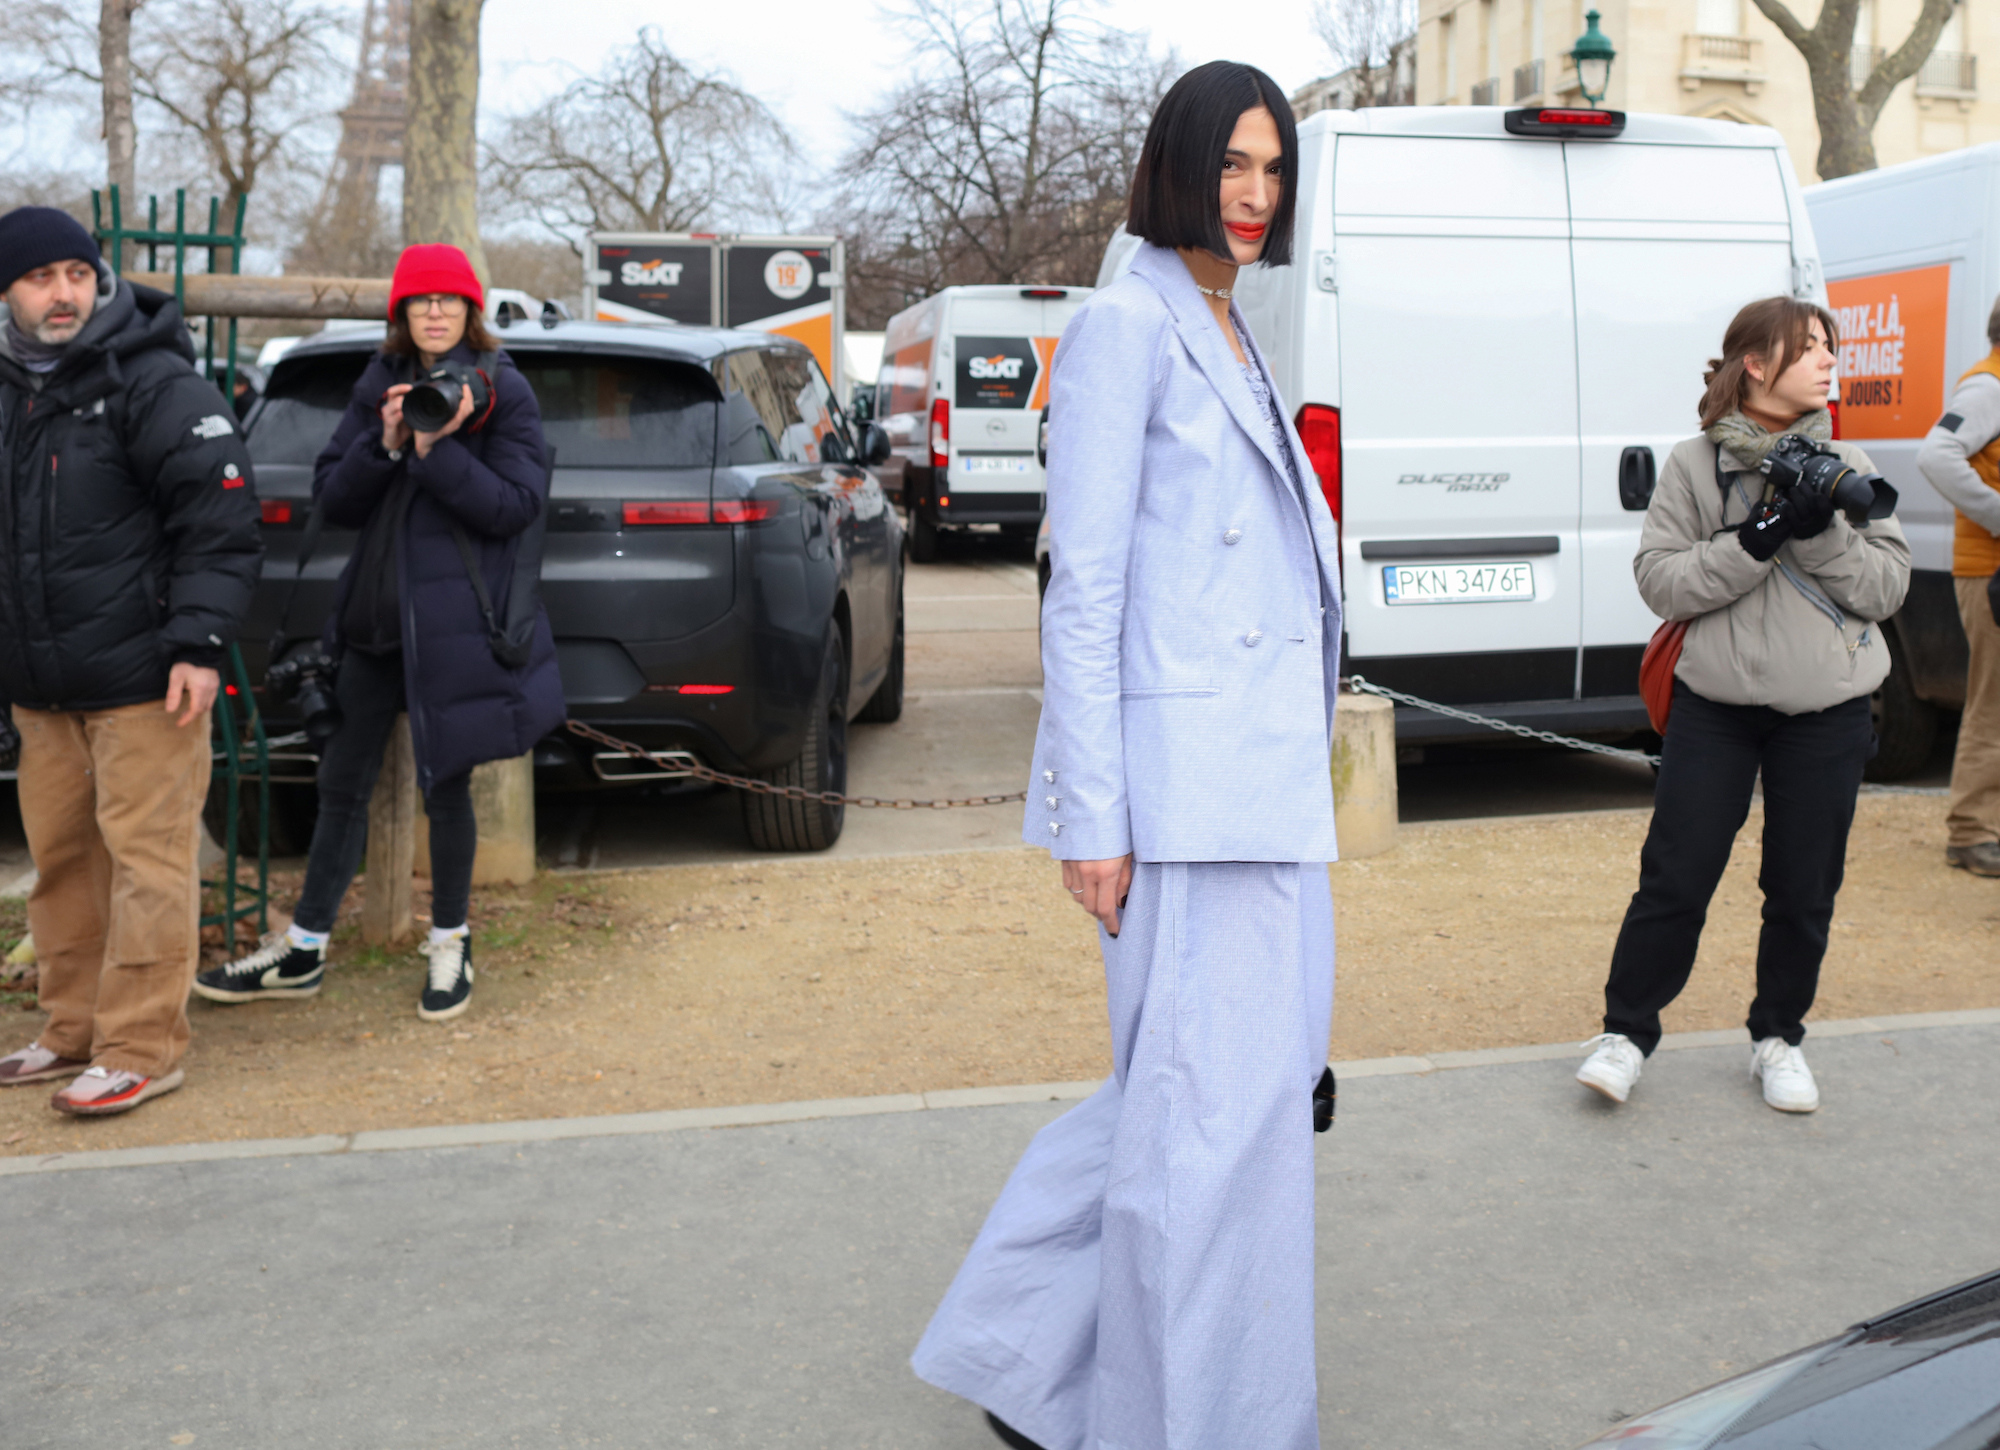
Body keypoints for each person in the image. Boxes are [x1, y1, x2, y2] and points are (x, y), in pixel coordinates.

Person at [910, 63, 1343, 1450]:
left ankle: (1028, 1363)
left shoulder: (1228, 320)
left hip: (1260, 783)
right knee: (1203, 1125)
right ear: (1178, 167)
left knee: (1202, 1106)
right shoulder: (1124, 323)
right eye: (1232, 165)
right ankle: (1195, 1420)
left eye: (1273, 168)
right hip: (1183, 796)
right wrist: (1090, 814)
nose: (1255, 194)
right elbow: (1081, 586)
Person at [193, 244, 563, 1022]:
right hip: (373, 622)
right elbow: (335, 498)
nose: (435, 312)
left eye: (449, 300)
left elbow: (515, 507)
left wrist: (436, 450)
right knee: (340, 786)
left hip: (456, 629)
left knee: (447, 787)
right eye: (420, 301)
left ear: (470, 311)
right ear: (401, 313)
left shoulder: (504, 390)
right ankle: (304, 948)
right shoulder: (378, 383)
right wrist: (387, 442)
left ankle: (451, 942)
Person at [1577, 297, 1911, 1114]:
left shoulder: (1848, 464)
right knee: (1676, 876)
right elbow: (1661, 582)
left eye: (1830, 347)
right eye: (1811, 347)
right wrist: (1756, 537)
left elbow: (1885, 588)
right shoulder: (1694, 464)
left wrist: (1818, 530)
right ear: (1755, 363)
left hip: (1827, 712)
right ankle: (1626, 1034)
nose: (1830, 361)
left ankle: (1778, 1039)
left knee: (1803, 888)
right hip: (1716, 708)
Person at [0, 206, 263, 1116]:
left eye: (78, 274)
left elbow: (220, 523)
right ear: (7, 292)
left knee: (148, 865)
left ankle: (141, 1046)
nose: (63, 293)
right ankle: (71, 1029)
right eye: (41, 278)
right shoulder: (6, 390)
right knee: (63, 864)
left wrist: (198, 644)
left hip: (147, 682)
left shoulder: (153, 382)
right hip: (40, 690)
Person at [1918, 295, 2000, 877]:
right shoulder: (1988, 388)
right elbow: (1936, 455)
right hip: (1991, 571)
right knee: (1992, 703)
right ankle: (1972, 832)